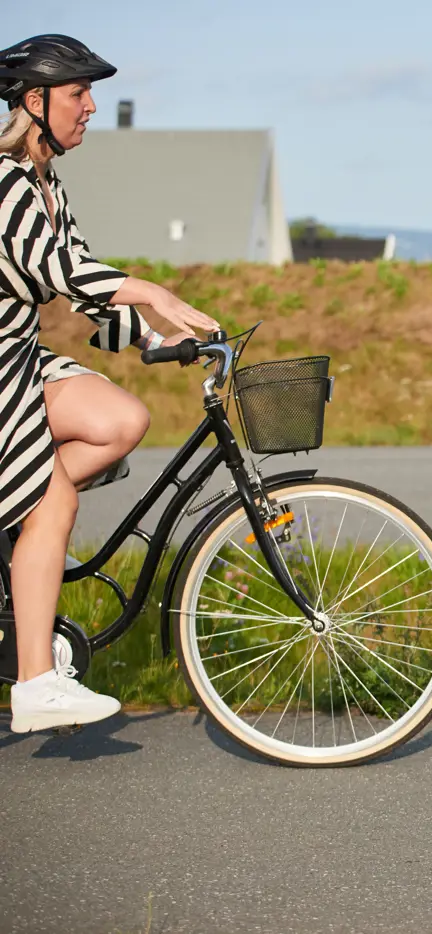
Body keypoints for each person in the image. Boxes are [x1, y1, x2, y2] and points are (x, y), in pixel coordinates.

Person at [0, 35, 217, 732]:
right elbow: (61, 272)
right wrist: (151, 290)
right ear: (35, 102)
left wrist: (156, 341)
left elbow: (83, 280)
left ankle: (20, 531)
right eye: (77, 93)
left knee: (120, 421)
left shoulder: (45, 184)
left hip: (18, 358)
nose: (90, 106)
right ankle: (36, 684)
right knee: (52, 498)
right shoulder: (5, 185)